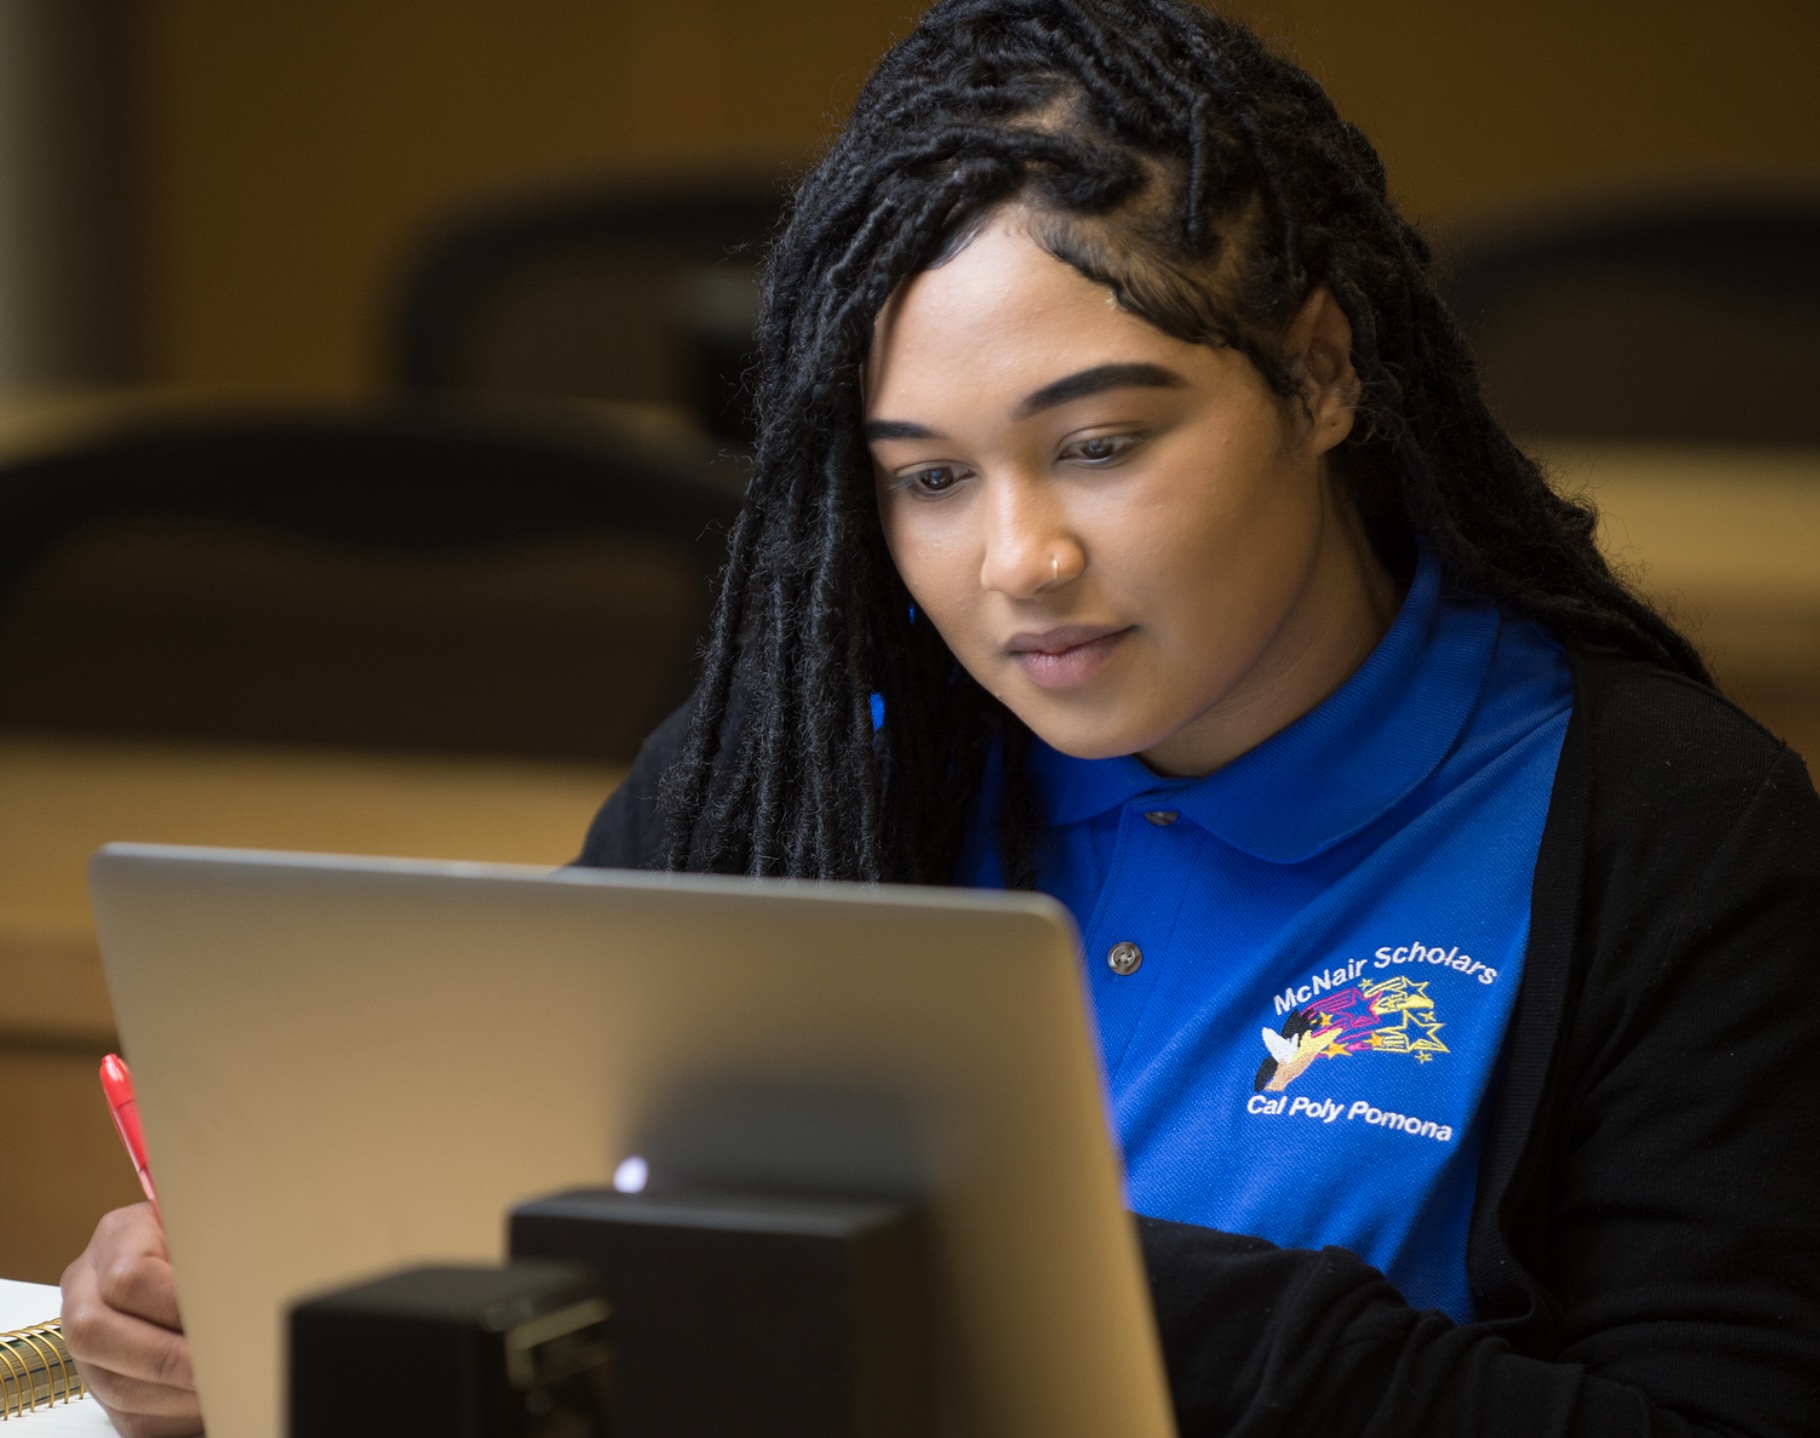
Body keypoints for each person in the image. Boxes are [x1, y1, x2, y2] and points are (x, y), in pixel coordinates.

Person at [63, 1, 1820, 1434]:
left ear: (1323, 368)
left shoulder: (1662, 827)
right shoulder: (796, 770)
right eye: (924, 478)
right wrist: (281, 1304)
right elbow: (546, 1255)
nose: (1020, 560)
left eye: (1104, 442)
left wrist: (1042, 1288)